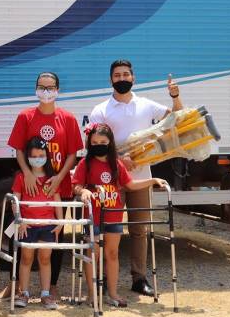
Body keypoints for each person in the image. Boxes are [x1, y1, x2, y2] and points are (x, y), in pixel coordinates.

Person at [88, 59, 182, 297]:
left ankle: (139, 279)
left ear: (133, 78)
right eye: (117, 75)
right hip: (111, 181)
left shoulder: (146, 105)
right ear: (110, 80)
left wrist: (175, 97)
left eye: (126, 74)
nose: (122, 78)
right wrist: (120, 160)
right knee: (108, 229)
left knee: (140, 229)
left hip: (141, 177)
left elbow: (177, 118)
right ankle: (104, 278)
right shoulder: (101, 110)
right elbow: (93, 145)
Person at [72, 123, 168, 307]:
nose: (99, 145)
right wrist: (83, 191)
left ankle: (113, 293)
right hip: (93, 218)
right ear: (89, 144)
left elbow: (130, 184)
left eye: (103, 142)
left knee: (112, 254)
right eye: (94, 142)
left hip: (113, 216)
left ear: (110, 142)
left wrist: (152, 180)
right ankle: (92, 294)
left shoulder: (116, 164)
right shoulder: (85, 163)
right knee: (93, 254)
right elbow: (76, 184)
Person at [5, 71, 81, 297]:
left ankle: (51, 286)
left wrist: (59, 177)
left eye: (50, 87)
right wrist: (27, 173)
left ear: (58, 90)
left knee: (55, 236)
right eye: (42, 87)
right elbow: (19, 150)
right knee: (20, 232)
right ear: (36, 89)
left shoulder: (67, 118)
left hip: (58, 188)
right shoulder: (26, 116)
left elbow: (72, 154)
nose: (46, 91)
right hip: (30, 188)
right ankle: (15, 284)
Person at [11, 137, 62, 310]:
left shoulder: (52, 178)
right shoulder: (21, 177)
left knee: (45, 259)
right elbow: (15, 201)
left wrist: (60, 222)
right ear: (27, 157)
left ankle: (45, 294)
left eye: (41, 155)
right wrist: (19, 220)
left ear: (47, 156)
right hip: (28, 224)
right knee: (26, 258)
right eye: (33, 156)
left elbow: (57, 200)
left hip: (48, 224)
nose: (37, 159)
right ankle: (23, 293)